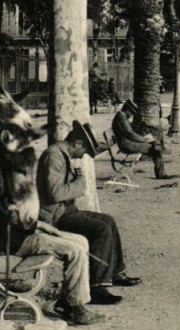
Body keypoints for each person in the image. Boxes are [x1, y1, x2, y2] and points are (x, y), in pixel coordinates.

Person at [0, 157, 104, 326]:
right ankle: (74, 307)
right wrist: (40, 226)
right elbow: (18, 220)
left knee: (80, 241)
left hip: (22, 234)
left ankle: (66, 298)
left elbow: (21, 219)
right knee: (74, 250)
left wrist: (43, 226)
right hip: (18, 241)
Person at [37, 121, 142, 309]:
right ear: (77, 143)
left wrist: (77, 181)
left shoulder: (60, 155)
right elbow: (56, 193)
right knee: (100, 229)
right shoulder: (54, 156)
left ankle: (115, 272)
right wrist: (80, 183)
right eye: (84, 151)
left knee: (108, 220)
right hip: (54, 217)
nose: (82, 155)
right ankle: (97, 287)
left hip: (65, 211)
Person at [113, 100, 177, 179]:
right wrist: (144, 140)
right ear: (127, 110)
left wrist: (144, 139)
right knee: (155, 149)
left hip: (127, 142)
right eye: (131, 113)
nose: (131, 115)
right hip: (127, 144)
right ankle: (161, 173)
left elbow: (130, 133)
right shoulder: (121, 118)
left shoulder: (121, 117)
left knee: (154, 145)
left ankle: (161, 151)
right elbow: (130, 134)